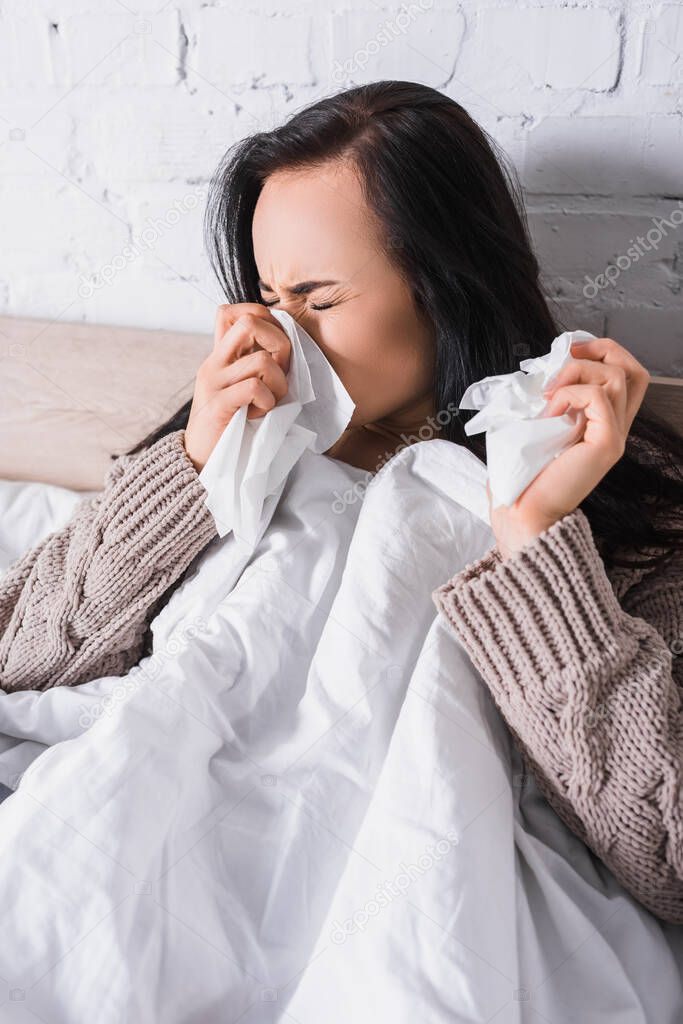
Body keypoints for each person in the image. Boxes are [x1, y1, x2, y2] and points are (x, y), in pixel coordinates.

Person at [0, 81, 680, 924]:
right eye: (271, 299)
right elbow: (21, 659)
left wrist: (534, 543)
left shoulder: (605, 491)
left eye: (320, 301)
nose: (285, 338)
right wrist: (190, 463)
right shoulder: (236, 432)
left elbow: (662, 858)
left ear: (446, 284)